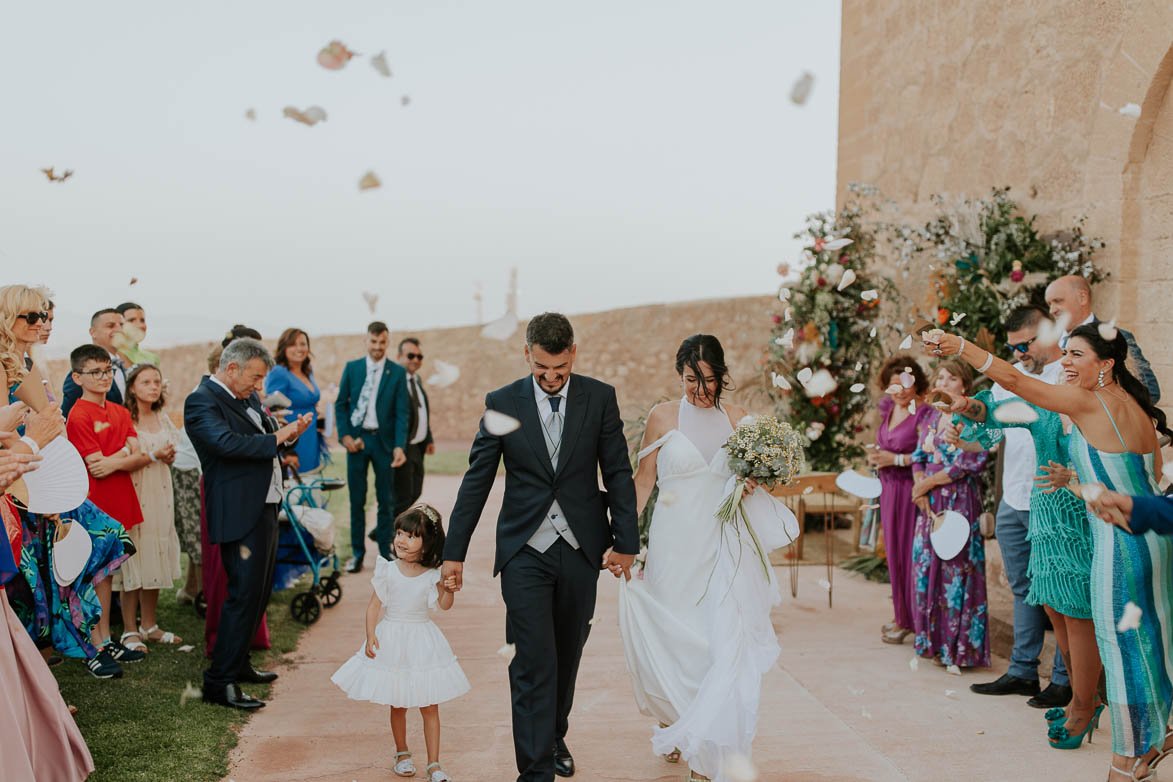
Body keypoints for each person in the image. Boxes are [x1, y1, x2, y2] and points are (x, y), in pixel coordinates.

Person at [923, 324, 1172, 779]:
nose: (1068, 363)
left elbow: (1016, 383)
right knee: (1151, 641)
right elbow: (1152, 476)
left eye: (1076, 354)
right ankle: (1156, 738)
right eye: (1065, 354)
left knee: (1122, 648)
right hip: (1151, 535)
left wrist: (960, 347)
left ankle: (1130, 756)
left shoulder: (1090, 401)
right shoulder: (1134, 407)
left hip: (1119, 540)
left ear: (1106, 364)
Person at [442, 312, 639, 782]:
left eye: (560, 370)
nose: (551, 379)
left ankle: (553, 735)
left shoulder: (599, 398)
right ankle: (534, 771)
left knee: (567, 654)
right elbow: (477, 481)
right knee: (532, 660)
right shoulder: (502, 402)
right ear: (527, 354)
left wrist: (627, 542)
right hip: (524, 552)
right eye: (542, 370)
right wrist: (454, 551)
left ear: (573, 354)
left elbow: (617, 472)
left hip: (580, 549)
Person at [617, 334, 799, 782]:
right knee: (675, 638)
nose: (699, 389)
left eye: (708, 380)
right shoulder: (663, 416)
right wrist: (622, 541)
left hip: (722, 547)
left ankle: (707, 755)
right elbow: (643, 483)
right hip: (672, 546)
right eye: (690, 379)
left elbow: (755, 481)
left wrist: (753, 483)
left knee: (717, 645)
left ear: (722, 376)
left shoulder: (740, 422)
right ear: (679, 375)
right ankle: (678, 716)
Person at [184, 337, 311, 710]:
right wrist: (278, 436)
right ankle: (218, 681)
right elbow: (227, 444)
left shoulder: (248, 398)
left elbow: (262, 436)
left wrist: (289, 435)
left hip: (265, 504)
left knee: (257, 593)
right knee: (241, 595)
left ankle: (239, 664)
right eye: (255, 378)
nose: (260, 387)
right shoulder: (201, 401)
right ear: (232, 368)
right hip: (238, 509)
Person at [963, 306, 1072, 708]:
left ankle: (1064, 679)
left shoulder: (1069, 374)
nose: (1019, 354)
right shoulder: (1012, 377)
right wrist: (962, 414)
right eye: (1013, 347)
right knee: (1023, 588)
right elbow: (987, 424)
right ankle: (1023, 670)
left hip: (1057, 499)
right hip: (1014, 497)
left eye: (1024, 345)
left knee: (1059, 591)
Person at [331, 504, 469, 782]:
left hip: (422, 641)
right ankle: (402, 752)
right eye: (399, 533)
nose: (401, 540)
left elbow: (443, 605)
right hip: (393, 638)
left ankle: (434, 763)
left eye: (411, 536)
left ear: (427, 543)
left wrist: (449, 588)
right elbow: (373, 606)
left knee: (430, 705)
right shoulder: (388, 570)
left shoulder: (433, 575)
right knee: (399, 703)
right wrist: (370, 635)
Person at [0, 453, 96, 782]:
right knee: (26, 608)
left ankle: (44, 704)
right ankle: (37, 708)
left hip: (29, 519)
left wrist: (45, 499)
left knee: (42, 612)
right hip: (16, 522)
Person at [64, 343, 152, 666]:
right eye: (95, 372)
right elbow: (94, 464)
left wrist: (117, 460)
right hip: (95, 501)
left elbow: (135, 451)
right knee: (95, 574)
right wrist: (124, 456)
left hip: (120, 496)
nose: (103, 377)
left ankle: (107, 640)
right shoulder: (78, 414)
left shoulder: (119, 410)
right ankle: (95, 642)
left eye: (107, 371)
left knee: (110, 573)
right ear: (77, 377)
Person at [908, 360, 990, 672]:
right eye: (940, 376)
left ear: (965, 387)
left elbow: (969, 462)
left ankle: (958, 649)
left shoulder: (972, 418)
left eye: (952, 378)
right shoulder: (929, 415)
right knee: (928, 567)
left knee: (956, 572)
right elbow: (918, 457)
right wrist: (919, 487)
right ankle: (931, 641)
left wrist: (927, 483)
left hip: (958, 501)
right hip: (928, 502)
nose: (944, 381)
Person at [334, 321, 409, 572]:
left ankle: (384, 553)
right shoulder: (352, 368)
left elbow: (402, 413)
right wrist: (344, 435)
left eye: (382, 342)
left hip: (383, 442)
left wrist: (399, 446)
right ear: (365, 341)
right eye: (373, 341)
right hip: (356, 441)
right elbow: (340, 404)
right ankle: (357, 553)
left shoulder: (397, 373)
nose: (377, 347)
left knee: (385, 500)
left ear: (387, 342)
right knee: (357, 500)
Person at [865, 356, 929, 644]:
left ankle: (916, 620)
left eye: (905, 384)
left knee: (910, 554)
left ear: (916, 384)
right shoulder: (889, 410)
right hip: (888, 489)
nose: (900, 391)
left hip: (911, 490)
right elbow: (886, 445)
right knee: (894, 555)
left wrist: (897, 459)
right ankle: (901, 615)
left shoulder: (924, 413)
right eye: (894, 386)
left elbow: (930, 452)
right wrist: (877, 457)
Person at [123, 363, 184, 646]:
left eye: (156, 381)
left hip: (161, 490)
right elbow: (124, 454)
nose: (153, 386)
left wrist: (168, 455)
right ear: (132, 386)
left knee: (157, 552)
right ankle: (129, 628)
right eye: (146, 381)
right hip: (137, 490)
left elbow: (175, 446)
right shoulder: (125, 417)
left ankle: (149, 624)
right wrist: (154, 454)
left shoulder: (161, 416)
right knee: (135, 556)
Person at [1045, 275, 1159, 403]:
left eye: (1058, 301)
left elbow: (1150, 391)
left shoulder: (1116, 336)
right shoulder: (1048, 344)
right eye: (1049, 304)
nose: (1052, 310)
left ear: (1082, 298)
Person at [265, 328, 323, 474]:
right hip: (293, 439)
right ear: (284, 348)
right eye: (293, 344)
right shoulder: (278, 372)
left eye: (303, 344)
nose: (299, 349)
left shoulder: (307, 370)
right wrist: (287, 450)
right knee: (295, 486)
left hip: (311, 436)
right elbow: (272, 411)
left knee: (312, 484)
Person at [394, 337, 434, 516]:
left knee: (416, 491)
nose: (416, 360)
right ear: (399, 356)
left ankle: (382, 528)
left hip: (418, 446)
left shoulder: (416, 379)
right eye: (411, 355)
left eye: (420, 356)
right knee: (403, 495)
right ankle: (386, 531)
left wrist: (429, 438)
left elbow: (421, 411)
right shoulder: (395, 382)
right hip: (403, 445)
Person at [61, 308, 127, 417]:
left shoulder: (122, 368)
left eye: (122, 325)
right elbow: (68, 416)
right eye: (110, 326)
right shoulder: (82, 374)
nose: (119, 330)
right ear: (93, 332)